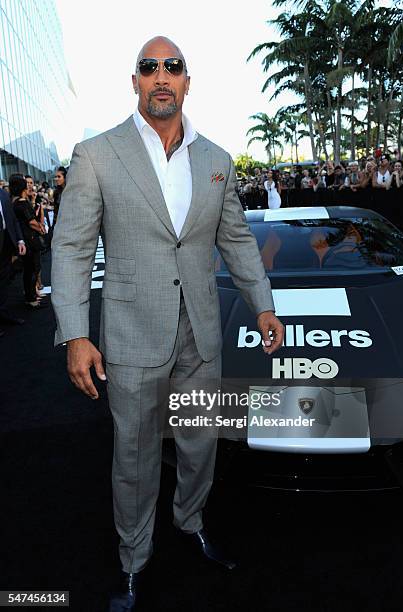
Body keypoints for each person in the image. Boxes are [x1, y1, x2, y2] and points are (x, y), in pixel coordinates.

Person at [51, 36, 284, 610]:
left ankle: (190, 519)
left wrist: (264, 304)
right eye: (149, 67)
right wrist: (76, 334)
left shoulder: (216, 160)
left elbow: (236, 241)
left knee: (201, 442)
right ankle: (134, 559)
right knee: (133, 456)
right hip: (131, 337)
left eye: (172, 67)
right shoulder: (98, 154)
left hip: (200, 335)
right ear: (134, 82)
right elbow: (73, 248)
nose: (162, 76)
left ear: (187, 81)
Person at [10, 175, 47, 309]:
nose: (29, 186)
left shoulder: (15, 202)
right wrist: (41, 229)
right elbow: (31, 222)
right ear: (22, 186)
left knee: (30, 269)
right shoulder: (21, 203)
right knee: (31, 269)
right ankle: (31, 298)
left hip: (25, 240)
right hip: (30, 241)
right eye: (26, 183)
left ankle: (31, 295)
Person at [0, 185, 26, 335]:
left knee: (3, 282)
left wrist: (20, 240)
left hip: (5, 246)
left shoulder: (3, 194)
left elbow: (13, 220)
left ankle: (3, 314)